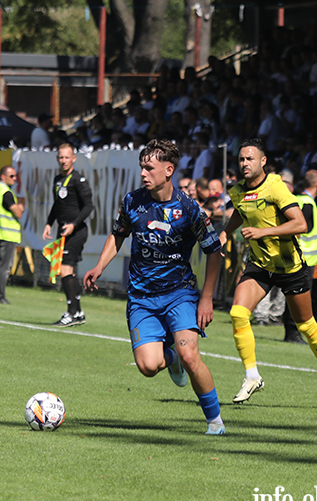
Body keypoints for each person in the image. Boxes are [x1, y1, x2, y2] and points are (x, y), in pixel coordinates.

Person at [83, 139, 226, 435]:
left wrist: (207, 298)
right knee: (148, 367)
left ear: (168, 170)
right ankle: (168, 356)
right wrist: (99, 267)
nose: (143, 174)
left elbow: (215, 251)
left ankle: (215, 421)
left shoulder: (189, 209)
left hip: (180, 294)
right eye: (142, 168)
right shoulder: (133, 201)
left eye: (149, 168)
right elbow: (118, 234)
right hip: (141, 298)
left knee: (191, 356)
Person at [222, 139, 317, 408]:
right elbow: (240, 212)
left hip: (290, 267)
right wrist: (225, 232)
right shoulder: (237, 191)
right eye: (241, 159)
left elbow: (300, 223)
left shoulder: (275, 186)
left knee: (306, 326)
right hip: (260, 265)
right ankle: (252, 376)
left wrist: (262, 232)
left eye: (250, 159)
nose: (244, 163)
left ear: (263, 161)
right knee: (238, 313)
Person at [42, 143, 94, 326]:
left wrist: (74, 224)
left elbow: (89, 206)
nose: (63, 161)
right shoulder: (57, 179)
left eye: (67, 157)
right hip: (63, 231)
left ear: (74, 158)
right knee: (66, 271)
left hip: (76, 231)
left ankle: (72, 312)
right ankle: (77, 313)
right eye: (61, 157)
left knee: (65, 270)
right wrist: (49, 223)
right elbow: (57, 205)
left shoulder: (78, 180)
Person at [283, 169, 317, 343]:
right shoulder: (307, 203)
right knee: (299, 296)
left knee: (294, 295)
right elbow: (298, 229)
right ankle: (293, 332)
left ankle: (292, 331)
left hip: (298, 257)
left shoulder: (299, 200)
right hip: (304, 258)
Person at [0, 165, 25, 304]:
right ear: (3, 176)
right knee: (4, 267)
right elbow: (18, 213)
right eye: (12, 176)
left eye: (15, 176)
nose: (15, 179)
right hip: (7, 233)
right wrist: (20, 206)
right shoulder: (6, 193)